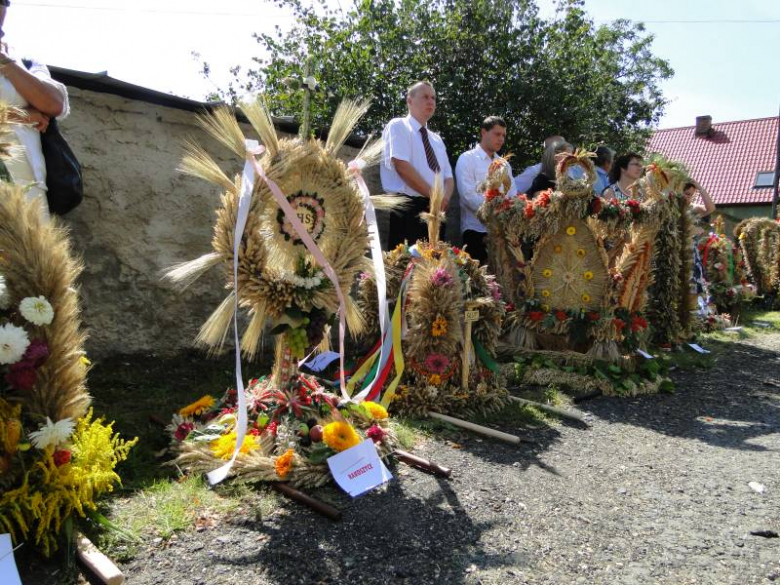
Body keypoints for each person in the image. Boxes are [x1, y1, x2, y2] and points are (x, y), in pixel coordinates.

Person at [0, 0, 69, 221]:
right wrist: (19, 115)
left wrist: (6, 63)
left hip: (28, 194)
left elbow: (53, 104)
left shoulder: (26, 62)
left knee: (31, 255)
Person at [381, 81, 454, 249]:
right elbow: (402, 166)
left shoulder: (437, 139)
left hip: (436, 211)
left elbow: (449, 178)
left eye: (433, 98)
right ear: (409, 101)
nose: (431, 101)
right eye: (425, 97)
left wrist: (444, 199)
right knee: (405, 269)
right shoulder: (398, 126)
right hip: (407, 208)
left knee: (435, 271)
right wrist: (435, 196)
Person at [455, 116, 517, 263]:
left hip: (502, 231)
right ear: (483, 132)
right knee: (479, 281)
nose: (501, 139)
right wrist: (494, 213)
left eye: (503, 135)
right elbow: (467, 195)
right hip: (476, 230)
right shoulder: (467, 159)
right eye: (497, 134)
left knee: (503, 280)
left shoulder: (504, 165)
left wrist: (505, 213)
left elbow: (512, 193)